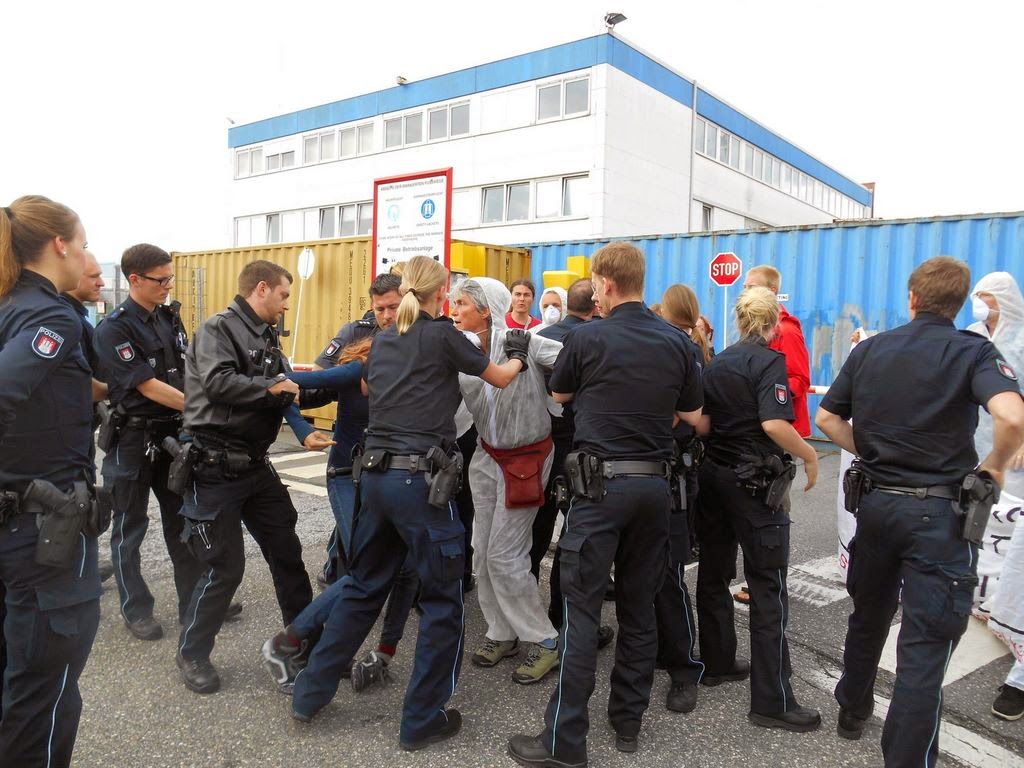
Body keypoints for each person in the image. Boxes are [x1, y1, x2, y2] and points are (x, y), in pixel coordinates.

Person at [289, 256, 527, 751]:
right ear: (441, 293)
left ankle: (309, 693)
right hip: (420, 484)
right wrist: (520, 353)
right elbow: (500, 378)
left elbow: (374, 387)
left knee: (362, 588)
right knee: (443, 602)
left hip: (373, 477)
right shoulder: (442, 335)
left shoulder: (382, 341)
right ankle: (422, 720)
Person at [816, 256, 1024, 766]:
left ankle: (852, 709)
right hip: (939, 517)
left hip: (879, 507)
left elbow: (825, 418)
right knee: (924, 652)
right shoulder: (973, 351)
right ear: (958, 304)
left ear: (912, 298)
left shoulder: (874, 349)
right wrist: (994, 467)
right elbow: (1013, 417)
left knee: (868, 615)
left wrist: (869, 451)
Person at [509, 242, 703, 766]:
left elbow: (564, 397)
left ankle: (565, 742)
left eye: (595, 282)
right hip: (653, 489)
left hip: (599, 490)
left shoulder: (588, 337)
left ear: (606, 285)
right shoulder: (677, 342)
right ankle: (627, 722)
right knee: (640, 610)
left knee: (582, 612)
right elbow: (690, 409)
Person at [176, 260, 333, 694]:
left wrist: (307, 426)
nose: (286, 305)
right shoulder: (217, 330)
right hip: (214, 468)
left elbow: (286, 393)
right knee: (224, 569)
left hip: (256, 465)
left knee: (287, 552)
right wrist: (275, 387)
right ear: (262, 289)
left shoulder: (266, 335)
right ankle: (192, 653)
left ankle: (303, 643)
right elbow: (218, 382)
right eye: (284, 295)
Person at [261, 336, 421, 694]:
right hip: (346, 478)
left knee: (404, 568)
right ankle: (287, 646)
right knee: (367, 569)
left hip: (384, 481)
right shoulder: (354, 370)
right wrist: (302, 431)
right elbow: (282, 384)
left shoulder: (408, 372)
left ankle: (382, 653)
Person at [0, 196, 100, 767]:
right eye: (83, 243)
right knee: (46, 693)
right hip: (46, 538)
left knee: (18, 687)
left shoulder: (9, 306)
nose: (85, 254)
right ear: (60, 245)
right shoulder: (51, 317)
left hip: (17, 520)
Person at [695, 286, 821, 733]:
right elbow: (773, 422)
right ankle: (772, 700)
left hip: (715, 476)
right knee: (768, 586)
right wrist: (808, 455)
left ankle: (717, 661)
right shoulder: (769, 361)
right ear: (770, 325)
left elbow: (705, 425)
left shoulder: (720, 360)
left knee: (713, 573)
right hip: (754, 483)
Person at [92, 244, 208, 641]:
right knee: (130, 527)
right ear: (134, 279)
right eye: (161, 279)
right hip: (132, 439)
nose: (168, 285)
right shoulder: (114, 328)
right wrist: (204, 407)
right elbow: (147, 385)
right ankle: (135, 608)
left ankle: (193, 603)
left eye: (171, 277)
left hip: (171, 436)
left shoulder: (168, 318)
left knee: (183, 522)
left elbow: (185, 369)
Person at [452, 278, 563, 684]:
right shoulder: (460, 349)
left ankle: (546, 640)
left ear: (485, 309)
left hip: (527, 460)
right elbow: (455, 410)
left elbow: (572, 360)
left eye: (461, 303)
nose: (454, 309)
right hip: (486, 457)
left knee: (503, 554)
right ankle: (502, 632)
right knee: (481, 552)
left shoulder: (524, 341)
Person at [310, 273, 403, 587]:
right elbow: (319, 377)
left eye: (394, 307)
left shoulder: (419, 336)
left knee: (365, 526)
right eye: (380, 309)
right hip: (349, 458)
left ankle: (337, 567)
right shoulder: (354, 333)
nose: (387, 316)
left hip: (391, 459)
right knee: (360, 537)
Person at [734, 265, 811, 607]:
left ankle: (770, 580)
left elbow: (798, 380)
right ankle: (760, 578)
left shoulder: (788, 332)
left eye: (750, 287)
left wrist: (763, 392)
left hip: (778, 436)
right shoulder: (750, 334)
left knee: (775, 507)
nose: (744, 291)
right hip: (757, 433)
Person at [966, 272, 1024, 720]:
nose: (978, 304)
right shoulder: (969, 338)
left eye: (983, 297)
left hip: (1015, 460)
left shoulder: (1022, 339)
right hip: (975, 452)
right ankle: (983, 601)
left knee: (1015, 545)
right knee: (977, 529)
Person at [653, 283, 708, 714]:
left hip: (671, 472)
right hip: (656, 471)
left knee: (669, 575)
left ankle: (685, 667)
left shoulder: (683, 350)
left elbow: (681, 414)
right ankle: (659, 651)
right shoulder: (670, 345)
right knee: (647, 573)